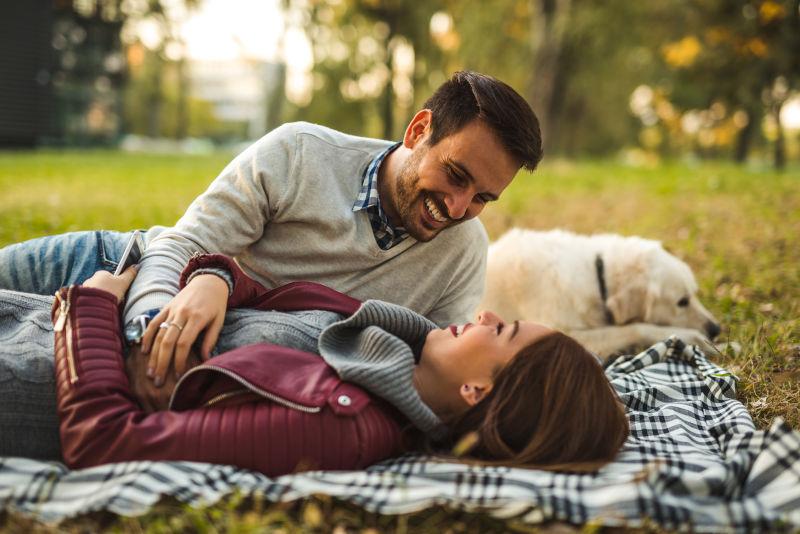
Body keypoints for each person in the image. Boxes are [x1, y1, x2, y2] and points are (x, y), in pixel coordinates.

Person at [0, 71, 543, 399]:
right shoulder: (302, 153)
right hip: (121, 265)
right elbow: (182, 244)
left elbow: (433, 371)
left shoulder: (463, 254)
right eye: (455, 175)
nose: (457, 207)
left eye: (482, 199)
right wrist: (152, 338)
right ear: (419, 131)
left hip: (213, 350)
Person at [0, 254, 628, 475]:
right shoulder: (382, 335)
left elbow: (104, 442)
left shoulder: (340, 423)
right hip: (34, 315)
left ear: (473, 390)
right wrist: (216, 280)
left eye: (503, 332)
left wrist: (86, 309)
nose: (487, 315)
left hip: (30, 372)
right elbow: (262, 292)